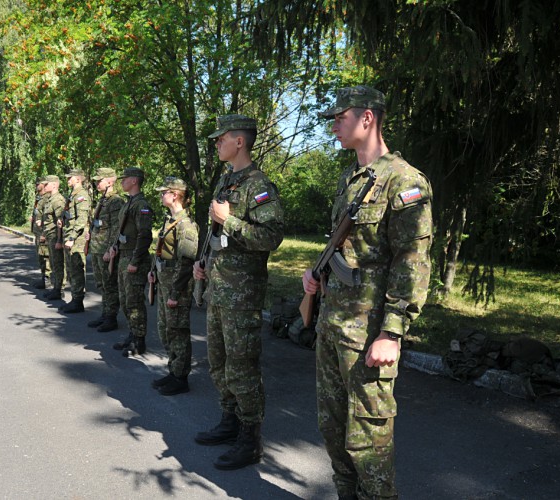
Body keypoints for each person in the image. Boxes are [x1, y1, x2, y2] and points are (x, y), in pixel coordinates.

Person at [301, 85, 433, 499]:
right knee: (333, 429)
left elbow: (412, 260)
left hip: (369, 334)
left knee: (369, 442)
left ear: (367, 118)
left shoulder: (404, 180)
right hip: (332, 325)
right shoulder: (350, 180)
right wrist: (315, 276)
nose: (334, 127)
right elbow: (347, 249)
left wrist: (392, 332)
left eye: (340, 118)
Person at [192, 114, 284, 470]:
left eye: (221, 139)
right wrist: (204, 262)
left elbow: (272, 237)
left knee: (242, 366)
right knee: (218, 363)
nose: (217, 144)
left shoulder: (258, 185)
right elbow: (217, 236)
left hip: (242, 296)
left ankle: (250, 439)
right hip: (219, 289)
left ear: (239, 142)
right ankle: (229, 421)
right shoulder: (226, 183)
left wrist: (228, 219)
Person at [149, 177, 199, 396]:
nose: (161, 196)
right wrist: (153, 271)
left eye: (164, 192)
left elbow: (186, 261)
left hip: (176, 287)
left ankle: (180, 377)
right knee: (165, 330)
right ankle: (173, 370)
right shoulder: (170, 220)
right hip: (164, 281)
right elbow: (161, 249)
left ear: (175, 195)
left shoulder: (186, 225)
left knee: (177, 331)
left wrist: (176, 292)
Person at [108, 167, 154, 356]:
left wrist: (135, 261)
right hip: (123, 256)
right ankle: (132, 334)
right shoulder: (129, 203)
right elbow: (123, 231)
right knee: (125, 300)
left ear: (134, 180)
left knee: (134, 301)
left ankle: (139, 339)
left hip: (134, 258)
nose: (122, 182)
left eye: (125, 178)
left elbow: (145, 236)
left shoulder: (141, 205)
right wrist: (114, 246)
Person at [87, 167, 126, 332]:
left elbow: (117, 228)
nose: (96, 183)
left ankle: (111, 317)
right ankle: (105, 313)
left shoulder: (115, 201)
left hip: (105, 249)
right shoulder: (103, 200)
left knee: (109, 285)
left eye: (99, 180)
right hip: (97, 247)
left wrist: (111, 248)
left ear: (110, 181)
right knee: (101, 284)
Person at [59, 169, 91, 314]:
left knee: (77, 268)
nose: (68, 180)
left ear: (78, 179)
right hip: (69, 235)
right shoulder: (73, 195)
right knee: (72, 268)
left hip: (76, 238)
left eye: (70, 178)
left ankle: (78, 301)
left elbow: (81, 220)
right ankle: (74, 299)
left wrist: (72, 237)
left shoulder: (81, 196)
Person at [42, 175, 67, 301]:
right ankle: (56, 287)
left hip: (55, 236)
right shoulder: (50, 199)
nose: (44, 186)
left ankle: (59, 289)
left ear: (54, 185)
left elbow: (60, 222)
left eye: (46, 184)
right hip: (50, 236)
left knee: (58, 263)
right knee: (53, 263)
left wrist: (59, 240)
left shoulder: (58, 200)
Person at [31, 178, 52, 290]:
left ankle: (48, 280)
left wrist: (44, 233)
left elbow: (48, 218)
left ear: (44, 185)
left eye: (38, 183)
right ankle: (43, 277)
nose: (36, 185)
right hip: (38, 233)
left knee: (46, 257)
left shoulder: (47, 198)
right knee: (40, 257)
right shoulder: (39, 197)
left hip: (44, 233)